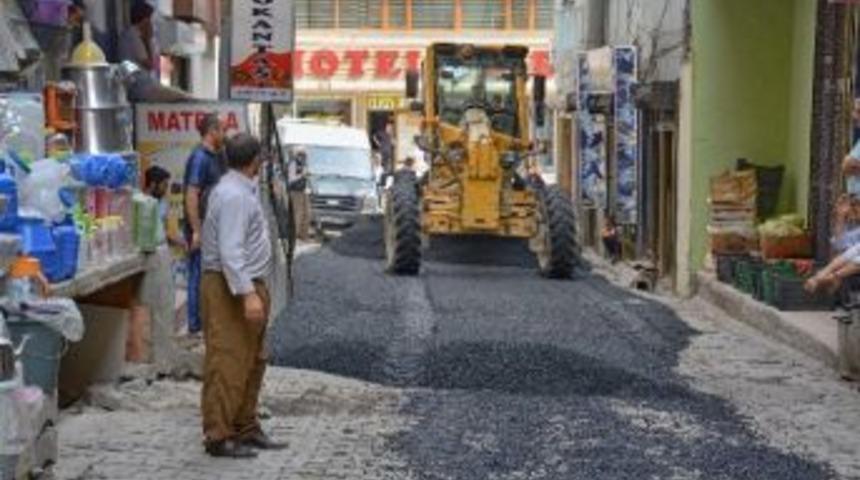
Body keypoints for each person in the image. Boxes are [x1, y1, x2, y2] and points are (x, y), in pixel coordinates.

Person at [200, 133, 286, 458]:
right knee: (228, 361)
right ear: (256, 161)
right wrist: (248, 293)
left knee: (253, 359)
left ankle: (245, 426)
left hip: (245, 283)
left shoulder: (239, 190)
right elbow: (230, 252)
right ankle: (219, 435)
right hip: (231, 286)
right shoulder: (234, 196)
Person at [183, 113, 226, 335]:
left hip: (213, 227)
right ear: (212, 132)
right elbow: (191, 195)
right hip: (201, 229)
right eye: (222, 129)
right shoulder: (199, 158)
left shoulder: (216, 156)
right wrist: (196, 231)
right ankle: (195, 326)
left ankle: (204, 321)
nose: (225, 134)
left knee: (207, 276)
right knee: (197, 276)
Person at [119, 2, 159, 75]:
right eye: (149, 19)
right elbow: (149, 65)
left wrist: (148, 39)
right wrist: (147, 39)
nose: (151, 23)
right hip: (134, 79)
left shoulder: (139, 34)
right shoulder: (132, 34)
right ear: (144, 20)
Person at [287, 146, 311, 241]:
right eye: (301, 153)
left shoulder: (303, 164)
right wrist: (302, 175)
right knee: (297, 214)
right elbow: (291, 179)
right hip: (295, 192)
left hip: (303, 191)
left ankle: (303, 235)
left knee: (307, 213)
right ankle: (294, 236)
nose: (303, 156)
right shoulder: (293, 163)